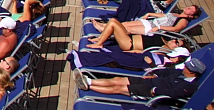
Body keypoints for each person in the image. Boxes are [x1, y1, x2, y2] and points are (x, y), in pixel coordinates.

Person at [73, 57, 205, 100]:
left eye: (188, 67)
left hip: (150, 90)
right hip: (150, 80)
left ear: (193, 73)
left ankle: (88, 86)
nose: (185, 67)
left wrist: (156, 90)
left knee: (119, 88)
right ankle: (89, 81)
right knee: (118, 79)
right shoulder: (180, 73)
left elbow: (174, 93)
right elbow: (167, 71)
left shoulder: (190, 86)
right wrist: (157, 74)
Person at [85, 5, 202, 50]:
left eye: (192, 10)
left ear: (192, 15)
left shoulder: (184, 20)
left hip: (152, 28)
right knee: (124, 24)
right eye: (190, 7)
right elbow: (164, 16)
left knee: (127, 30)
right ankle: (103, 32)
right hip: (151, 23)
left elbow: (176, 29)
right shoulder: (178, 14)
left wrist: (159, 27)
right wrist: (150, 14)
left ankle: (103, 33)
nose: (189, 9)